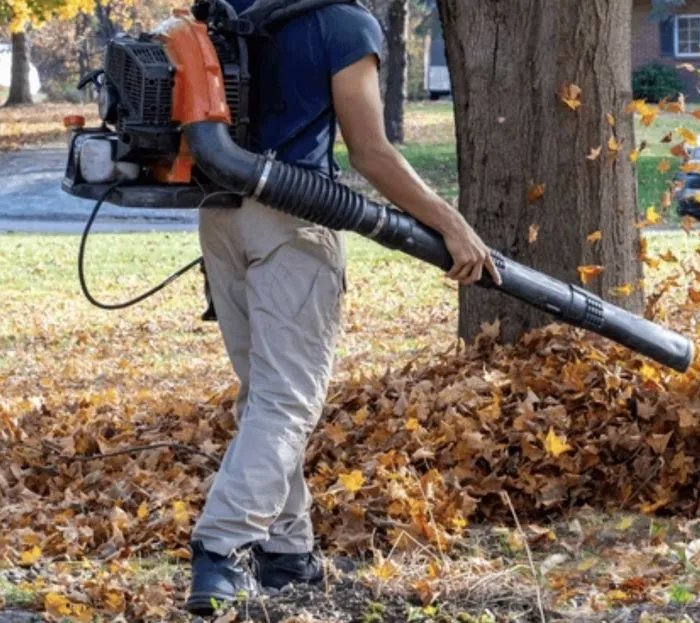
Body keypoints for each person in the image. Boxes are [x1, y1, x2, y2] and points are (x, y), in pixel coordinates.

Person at [185, 0, 501, 614]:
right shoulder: (344, 24)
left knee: (265, 397)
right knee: (286, 402)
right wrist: (452, 223)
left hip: (221, 216)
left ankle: (287, 554)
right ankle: (221, 551)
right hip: (295, 220)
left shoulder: (237, 8)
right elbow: (371, 152)